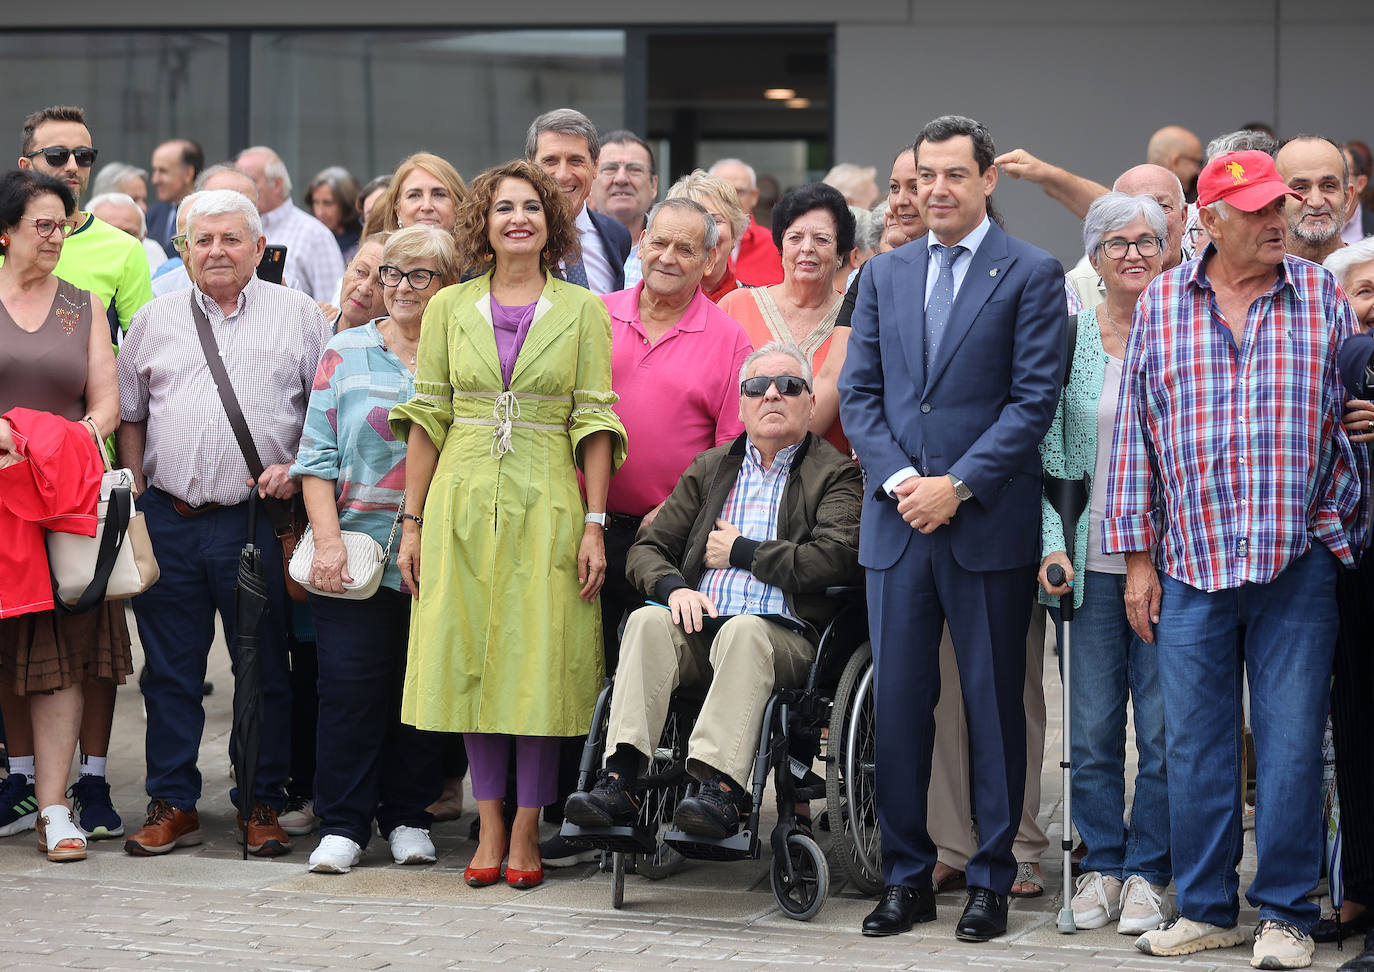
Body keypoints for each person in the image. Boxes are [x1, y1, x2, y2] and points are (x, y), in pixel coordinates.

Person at [1105, 151, 1367, 969]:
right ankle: (1209, 906)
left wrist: (1336, 515)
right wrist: (1137, 560)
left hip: (1297, 560)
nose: (1276, 219)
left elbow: (1347, 414)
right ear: (1207, 220)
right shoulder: (1162, 309)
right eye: (1255, 209)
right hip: (1190, 561)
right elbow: (1135, 442)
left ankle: (1286, 913)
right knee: (1193, 744)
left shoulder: (1322, 295)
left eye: (1278, 205)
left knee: (1289, 745)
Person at [839, 114, 1066, 942]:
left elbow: (1032, 403)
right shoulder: (885, 275)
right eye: (923, 176)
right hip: (897, 525)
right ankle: (906, 876)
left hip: (985, 527)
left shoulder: (1031, 274)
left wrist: (957, 486)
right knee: (901, 706)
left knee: (994, 706)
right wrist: (906, 482)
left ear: (986, 180)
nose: (935, 189)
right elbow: (860, 396)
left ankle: (992, 879)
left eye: (953, 175)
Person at [388, 159, 626, 891]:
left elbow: (595, 420)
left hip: (548, 500)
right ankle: (488, 820)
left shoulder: (583, 310)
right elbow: (427, 416)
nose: (516, 218)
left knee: (539, 661)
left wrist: (594, 523)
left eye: (530, 207)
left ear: (551, 223)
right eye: (502, 208)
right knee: (470, 660)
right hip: (459, 498)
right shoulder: (449, 308)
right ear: (482, 225)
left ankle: (529, 822)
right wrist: (413, 521)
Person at [565, 341, 862, 838]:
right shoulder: (710, 467)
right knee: (645, 619)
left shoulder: (835, 473)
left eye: (789, 386)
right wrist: (674, 587)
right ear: (742, 406)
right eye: (757, 388)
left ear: (810, 403)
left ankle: (721, 791)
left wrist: (745, 552)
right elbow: (647, 548)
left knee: (744, 632)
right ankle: (619, 779)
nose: (772, 395)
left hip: (781, 638)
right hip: (702, 626)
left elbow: (835, 559)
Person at [540, 196, 756, 868]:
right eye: (658, 242)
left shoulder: (726, 338)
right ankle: (574, 813)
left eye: (685, 249)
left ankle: (661, 814)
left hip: (673, 538)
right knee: (575, 668)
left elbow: (734, 451)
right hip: (584, 525)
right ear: (639, 241)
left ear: (709, 260)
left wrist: (678, 514)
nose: (666, 258)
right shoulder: (595, 318)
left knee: (662, 667)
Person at [117, 189, 330, 858]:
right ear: (181, 250)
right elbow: (130, 414)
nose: (215, 251)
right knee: (170, 673)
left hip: (256, 522)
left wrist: (296, 466)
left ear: (259, 247)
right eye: (201, 240)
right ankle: (173, 801)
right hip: (171, 520)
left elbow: (326, 413)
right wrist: (139, 495)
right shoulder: (152, 320)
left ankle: (260, 802)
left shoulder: (299, 316)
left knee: (263, 668)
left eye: (230, 239)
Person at [293, 226, 459, 874]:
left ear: (448, 284)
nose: (401, 287)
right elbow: (315, 458)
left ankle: (409, 816)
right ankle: (343, 823)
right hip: (356, 548)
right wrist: (328, 541)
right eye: (393, 273)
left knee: (419, 690)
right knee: (349, 691)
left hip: (441, 550)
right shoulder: (345, 350)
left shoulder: (464, 354)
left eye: (420, 274)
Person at [1038, 192, 1174, 934]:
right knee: (1090, 730)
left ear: (1168, 252)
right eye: (1116, 242)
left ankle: (1151, 872)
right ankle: (1101, 866)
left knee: (1161, 730)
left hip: (1172, 564)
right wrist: (1050, 544)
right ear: (1093, 258)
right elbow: (1050, 450)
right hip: (1088, 562)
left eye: (1147, 241)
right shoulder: (1071, 339)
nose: (1132, 254)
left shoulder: (1187, 336)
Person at [0, 169, 128, 861]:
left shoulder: (82, 306)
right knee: (9, 655)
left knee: (60, 660)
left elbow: (105, 407)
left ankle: (55, 807)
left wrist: (47, 440)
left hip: (62, 504)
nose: (56, 236)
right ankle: (23, 788)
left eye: (63, 225)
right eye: (42, 225)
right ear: (5, 232)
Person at [1314, 239, 1374, 948]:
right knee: (1354, 731)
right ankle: (1358, 889)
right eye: (1363, 290)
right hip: (1353, 572)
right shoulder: (1343, 361)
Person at [721, 183, 855, 454]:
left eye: (821, 239)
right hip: (741, 476)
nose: (807, 248)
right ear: (780, 247)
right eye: (795, 238)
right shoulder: (735, 307)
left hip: (830, 482)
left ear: (841, 253)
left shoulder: (857, 318)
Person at [15, 105, 153, 344]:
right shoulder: (6, 240)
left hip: (93, 381)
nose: (72, 166)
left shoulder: (124, 248)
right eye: (57, 155)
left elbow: (144, 353)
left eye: (83, 156)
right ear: (25, 167)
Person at [526, 109, 631, 294]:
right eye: (550, 161)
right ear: (530, 167)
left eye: (576, 160)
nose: (563, 175)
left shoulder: (617, 236)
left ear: (595, 166)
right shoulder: (509, 237)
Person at [235, 145, 345, 300]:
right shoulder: (233, 228)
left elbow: (331, 307)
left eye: (251, 180)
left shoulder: (314, 234)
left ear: (277, 185)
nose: (241, 188)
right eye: (238, 180)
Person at [664, 169, 750, 303]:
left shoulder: (756, 305)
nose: (705, 232)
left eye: (715, 221)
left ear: (734, 234)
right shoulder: (651, 302)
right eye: (691, 222)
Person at [591, 130, 658, 288]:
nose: (621, 179)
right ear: (591, 181)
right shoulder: (569, 248)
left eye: (634, 169)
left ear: (653, 185)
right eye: (610, 169)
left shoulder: (669, 253)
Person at [1275, 135, 1350, 265]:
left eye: (1328, 186)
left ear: (1348, 198)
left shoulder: (1367, 275)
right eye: (1300, 188)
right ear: (1276, 201)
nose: (1316, 202)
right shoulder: (1254, 278)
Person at [709, 158, 783, 287]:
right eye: (721, 191)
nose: (730, 199)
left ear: (754, 196)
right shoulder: (695, 243)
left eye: (739, 192)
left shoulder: (778, 246)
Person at [361, 153, 466, 240]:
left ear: (458, 206)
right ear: (397, 210)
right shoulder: (377, 262)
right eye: (414, 195)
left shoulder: (478, 263)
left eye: (439, 194)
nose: (427, 206)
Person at [146, 138, 203, 256]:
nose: (155, 180)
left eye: (163, 171)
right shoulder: (152, 215)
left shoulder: (206, 214)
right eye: (155, 171)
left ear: (188, 173)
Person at [87, 192, 167, 272]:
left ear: (143, 237)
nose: (118, 243)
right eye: (108, 234)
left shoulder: (157, 266)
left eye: (128, 235)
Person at [323, 235, 387, 332]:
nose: (364, 289)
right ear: (348, 268)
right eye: (360, 271)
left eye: (381, 284)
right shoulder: (311, 328)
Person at [305, 166, 363, 261]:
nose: (320, 212)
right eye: (316, 202)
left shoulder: (364, 238)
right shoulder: (310, 239)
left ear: (346, 203)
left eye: (327, 203)